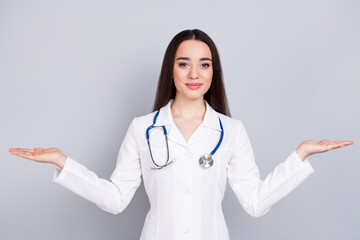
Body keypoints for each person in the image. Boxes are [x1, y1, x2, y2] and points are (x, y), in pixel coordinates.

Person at [9, 29, 353, 240]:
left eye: (204, 64)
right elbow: (115, 199)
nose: (194, 73)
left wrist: (300, 157)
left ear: (213, 71)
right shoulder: (142, 128)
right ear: (170, 70)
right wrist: (62, 162)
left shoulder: (230, 131)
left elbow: (255, 202)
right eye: (183, 62)